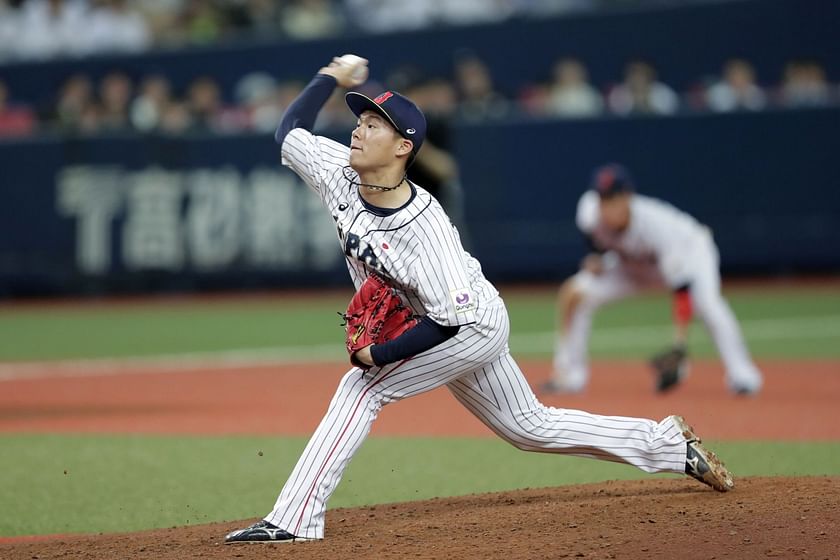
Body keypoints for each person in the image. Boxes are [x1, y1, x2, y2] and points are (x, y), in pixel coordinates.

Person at [224, 56, 735, 545]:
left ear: (404, 147)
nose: (357, 130)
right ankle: (668, 445)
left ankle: (294, 518)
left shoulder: (424, 229)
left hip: (469, 326)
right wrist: (329, 77)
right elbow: (288, 130)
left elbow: (448, 323)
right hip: (446, 318)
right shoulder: (338, 168)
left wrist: (375, 356)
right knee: (529, 426)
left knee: (362, 388)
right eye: (359, 120)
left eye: (373, 125)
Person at [545, 163, 764, 396]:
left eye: (613, 198)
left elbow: (682, 289)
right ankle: (570, 375)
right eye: (602, 198)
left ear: (628, 197)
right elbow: (592, 240)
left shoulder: (657, 228)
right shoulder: (589, 211)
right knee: (575, 293)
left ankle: (743, 376)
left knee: (708, 305)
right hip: (632, 265)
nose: (606, 206)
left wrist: (679, 347)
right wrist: (596, 258)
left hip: (691, 252)